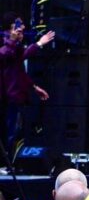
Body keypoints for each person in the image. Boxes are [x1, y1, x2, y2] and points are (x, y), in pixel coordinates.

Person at [0, 15, 53, 150]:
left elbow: (19, 72)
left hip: (17, 98)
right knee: (9, 132)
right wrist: (38, 43)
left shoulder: (14, 48)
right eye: (17, 26)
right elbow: (11, 55)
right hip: (8, 99)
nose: (21, 30)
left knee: (17, 132)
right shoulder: (5, 47)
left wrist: (34, 87)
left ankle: (11, 163)